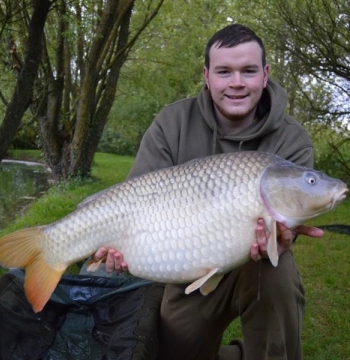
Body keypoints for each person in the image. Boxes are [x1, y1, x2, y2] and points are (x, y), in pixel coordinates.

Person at [93, 24, 324, 360]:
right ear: (206, 75)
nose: (236, 83)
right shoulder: (172, 123)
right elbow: (133, 201)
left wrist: (285, 239)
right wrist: (117, 246)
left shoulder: (292, 139)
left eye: (248, 71)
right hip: (188, 269)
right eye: (224, 71)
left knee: (277, 272)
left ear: (265, 74)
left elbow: (289, 219)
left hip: (256, 266)